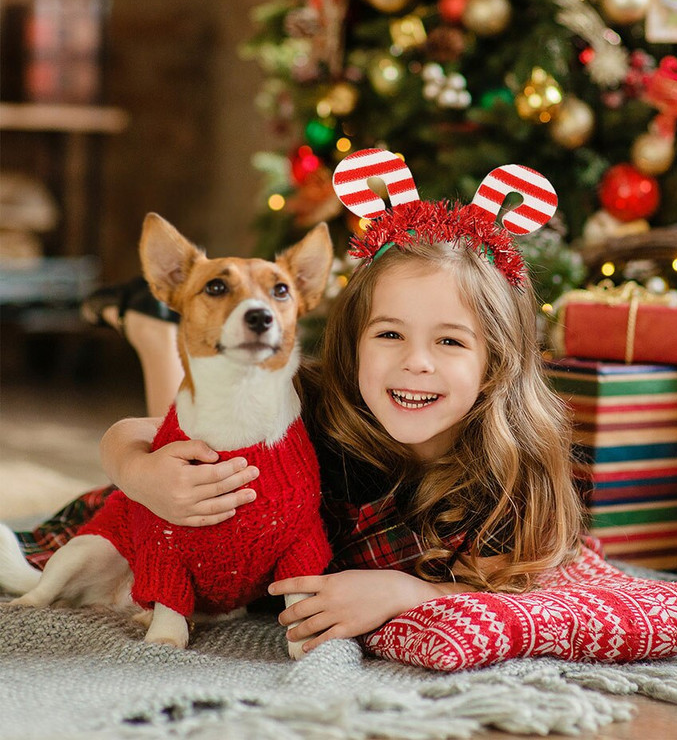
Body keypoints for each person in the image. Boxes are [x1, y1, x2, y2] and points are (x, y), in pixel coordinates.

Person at [16, 179, 584, 656]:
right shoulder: (316, 401)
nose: (416, 362)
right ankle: (158, 334)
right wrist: (138, 475)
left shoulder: (513, 477)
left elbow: (549, 601)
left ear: (495, 363)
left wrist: (407, 593)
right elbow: (135, 435)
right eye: (389, 334)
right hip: (164, 525)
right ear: (353, 342)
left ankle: (156, 330)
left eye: (451, 341)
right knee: (196, 421)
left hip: (247, 577)